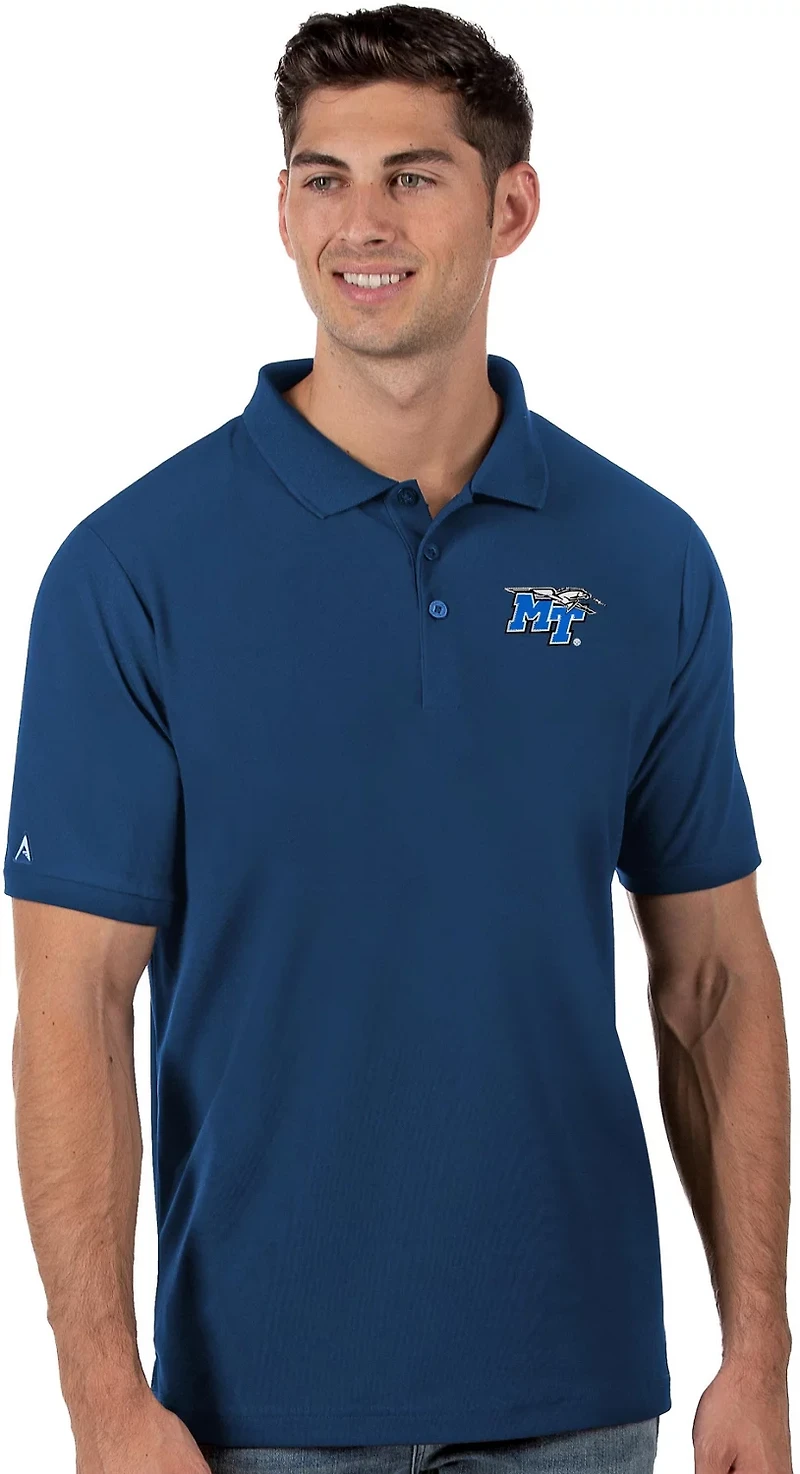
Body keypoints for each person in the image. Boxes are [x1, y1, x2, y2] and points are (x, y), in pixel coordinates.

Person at [4, 6, 792, 1473]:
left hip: (581, 1399)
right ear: (282, 208)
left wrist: (759, 1353)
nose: (359, 222)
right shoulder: (132, 571)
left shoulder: (645, 559)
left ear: (512, 207)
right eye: (324, 178)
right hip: (249, 1416)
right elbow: (71, 1009)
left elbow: (716, 983)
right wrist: (104, 1400)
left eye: (412, 177)